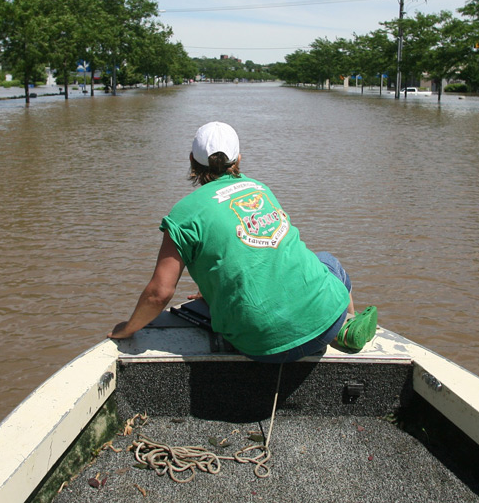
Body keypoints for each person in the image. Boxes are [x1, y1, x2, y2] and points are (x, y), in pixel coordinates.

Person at [108, 122, 377, 363]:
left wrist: (128, 329)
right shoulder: (259, 188)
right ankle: (344, 327)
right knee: (327, 261)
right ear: (238, 158)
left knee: (316, 266)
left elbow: (160, 293)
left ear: (191, 161)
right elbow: (265, 251)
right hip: (324, 323)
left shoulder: (183, 214)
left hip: (259, 346)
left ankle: (338, 327)